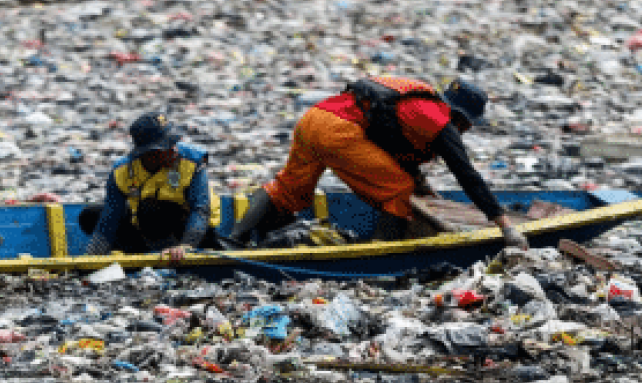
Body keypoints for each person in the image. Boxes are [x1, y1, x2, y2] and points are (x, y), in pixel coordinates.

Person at [222, 77, 529, 250]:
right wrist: (503, 224)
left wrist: (426, 188)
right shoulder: (442, 125)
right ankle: (381, 252)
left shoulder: (418, 100)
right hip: (339, 131)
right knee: (399, 191)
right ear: (463, 118)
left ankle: (234, 239)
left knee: (287, 189)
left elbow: (392, 145)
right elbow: (467, 175)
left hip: (314, 117)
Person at [81, 112, 221, 263]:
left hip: (194, 231)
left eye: (174, 143)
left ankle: (169, 257)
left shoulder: (192, 160)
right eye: (168, 145)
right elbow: (110, 218)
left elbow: (200, 209)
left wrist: (186, 246)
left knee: (150, 211)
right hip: (147, 227)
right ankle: (139, 257)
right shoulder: (122, 171)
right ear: (149, 153)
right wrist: (90, 259)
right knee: (91, 215)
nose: (175, 149)